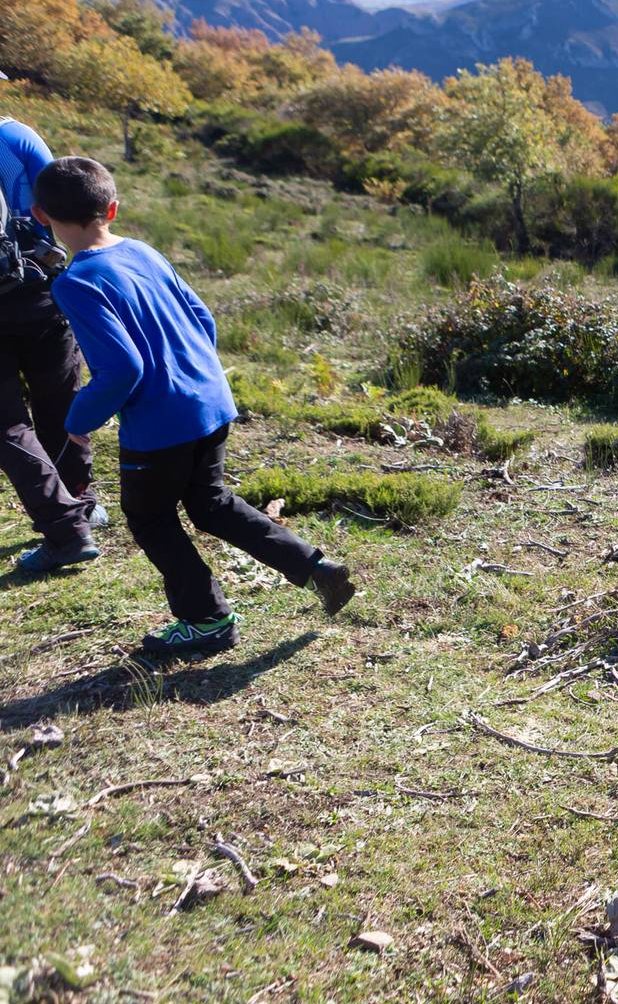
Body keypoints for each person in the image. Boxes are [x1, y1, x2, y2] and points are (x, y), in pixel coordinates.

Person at [32, 155, 357, 656]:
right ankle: (315, 568)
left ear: (39, 215)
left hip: (159, 425)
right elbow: (202, 318)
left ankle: (206, 620)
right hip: (208, 402)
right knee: (211, 503)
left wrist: (79, 421)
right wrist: (194, 377)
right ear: (112, 209)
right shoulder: (143, 251)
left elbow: (123, 369)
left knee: (149, 516)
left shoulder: (75, 283)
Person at [1, 114, 101, 571]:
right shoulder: (16, 135)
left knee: (6, 425)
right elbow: (57, 202)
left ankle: (65, 528)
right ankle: (81, 500)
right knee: (60, 398)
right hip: (40, 287)